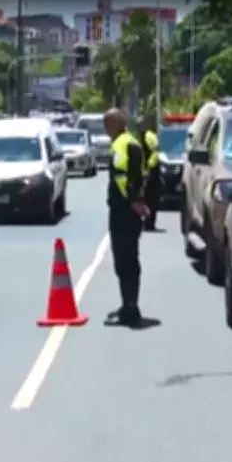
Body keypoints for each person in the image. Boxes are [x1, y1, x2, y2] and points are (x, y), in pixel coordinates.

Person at [104, 108, 149, 326]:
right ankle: (127, 304)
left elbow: (127, 176)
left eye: (107, 122)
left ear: (118, 123)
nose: (105, 127)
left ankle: (131, 308)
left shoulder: (125, 144)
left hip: (125, 211)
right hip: (122, 209)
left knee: (127, 259)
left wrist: (134, 201)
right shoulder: (122, 142)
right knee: (122, 260)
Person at [138, 115, 161, 231]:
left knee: (151, 199)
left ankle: (150, 223)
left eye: (141, 124)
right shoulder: (140, 137)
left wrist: (150, 166)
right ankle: (146, 222)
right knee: (145, 198)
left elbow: (157, 150)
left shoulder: (149, 136)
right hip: (145, 172)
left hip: (152, 172)